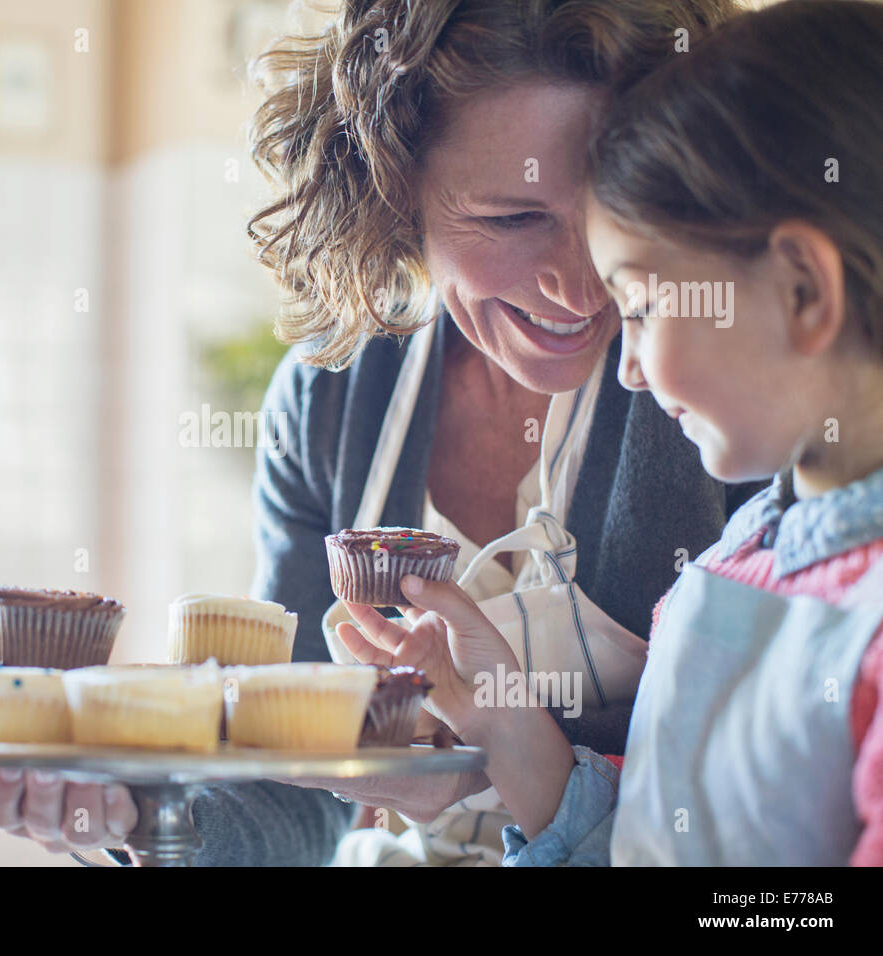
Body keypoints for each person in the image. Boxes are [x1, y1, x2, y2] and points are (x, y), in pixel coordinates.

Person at [0, 0, 758, 866]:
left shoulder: (729, 390)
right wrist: (137, 817)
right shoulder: (325, 406)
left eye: (614, 207)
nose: (580, 286)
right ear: (395, 192)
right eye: (512, 220)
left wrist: (495, 769)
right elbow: (291, 797)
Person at [339, 0, 883, 865]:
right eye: (514, 217)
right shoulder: (743, 554)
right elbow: (657, 839)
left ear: (803, 292)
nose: (609, 342)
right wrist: (504, 724)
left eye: (643, 301)